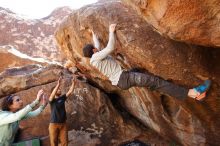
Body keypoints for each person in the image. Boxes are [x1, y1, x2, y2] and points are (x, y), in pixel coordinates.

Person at [82, 24, 211, 101]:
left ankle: (153, 84)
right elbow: (110, 48)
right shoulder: (97, 56)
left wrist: (93, 34)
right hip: (125, 78)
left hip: (122, 80)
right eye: (95, 48)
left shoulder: (94, 58)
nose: (97, 48)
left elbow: (96, 45)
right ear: (94, 51)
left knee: (139, 71)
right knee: (157, 82)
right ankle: (194, 93)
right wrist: (111, 31)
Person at [48, 76, 76, 146]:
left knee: (65, 143)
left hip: (63, 124)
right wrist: (58, 84)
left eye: (59, 89)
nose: (59, 90)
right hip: (53, 124)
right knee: (54, 143)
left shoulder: (62, 98)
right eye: (58, 89)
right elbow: (52, 95)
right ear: (54, 92)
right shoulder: (52, 100)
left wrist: (74, 83)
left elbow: (70, 91)